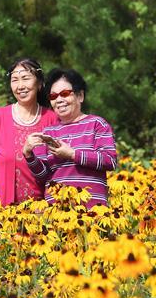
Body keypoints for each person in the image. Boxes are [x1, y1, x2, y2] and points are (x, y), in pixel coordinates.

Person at [23, 68, 118, 208]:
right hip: (58, 213)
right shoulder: (48, 132)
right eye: (53, 96)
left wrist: (73, 154)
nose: (59, 100)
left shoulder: (97, 124)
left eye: (65, 94)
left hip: (92, 212)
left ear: (80, 96)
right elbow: (42, 176)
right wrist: (29, 154)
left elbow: (110, 161)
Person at [0, 58, 59, 205]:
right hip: (4, 214)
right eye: (15, 80)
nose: (20, 86)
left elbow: (60, 167)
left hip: (43, 213)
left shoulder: (52, 119)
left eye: (25, 78)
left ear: (39, 84)